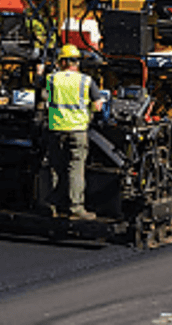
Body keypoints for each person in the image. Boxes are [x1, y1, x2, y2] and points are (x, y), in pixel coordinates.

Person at [45, 44, 105, 220]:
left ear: (62, 62)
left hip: (56, 129)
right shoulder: (86, 81)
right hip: (78, 131)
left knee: (55, 168)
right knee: (75, 169)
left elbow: (43, 95)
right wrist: (91, 114)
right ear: (76, 62)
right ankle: (76, 208)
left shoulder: (51, 79)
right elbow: (98, 105)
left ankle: (53, 206)